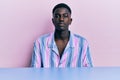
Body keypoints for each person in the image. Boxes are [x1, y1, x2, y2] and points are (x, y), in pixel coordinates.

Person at [31, 3, 93, 68]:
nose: (61, 19)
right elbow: (35, 71)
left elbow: (88, 72)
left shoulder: (82, 43)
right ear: (53, 21)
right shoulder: (40, 43)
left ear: (70, 21)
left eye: (65, 16)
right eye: (57, 16)